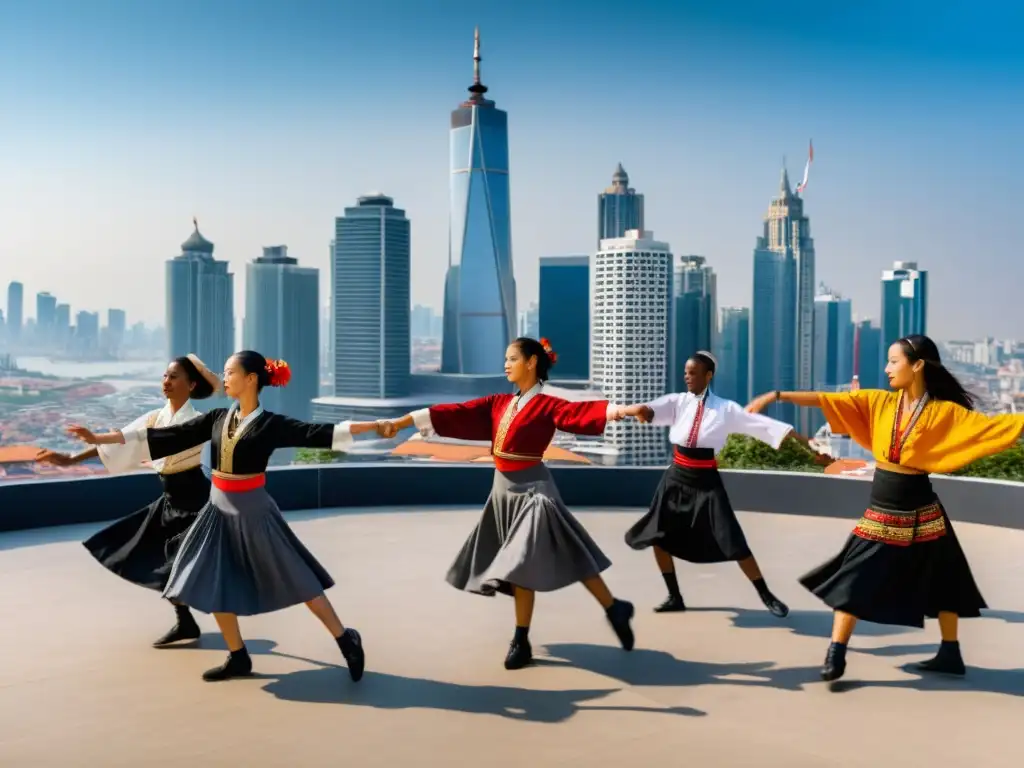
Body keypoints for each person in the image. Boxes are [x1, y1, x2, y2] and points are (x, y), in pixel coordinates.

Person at [67, 350, 382, 683]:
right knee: (214, 580)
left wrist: (376, 425)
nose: (224, 378)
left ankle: (345, 638)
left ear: (251, 380)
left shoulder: (271, 424)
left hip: (255, 512)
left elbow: (318, 433)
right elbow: (164, 437)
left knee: (299, 579)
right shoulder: (217, 418)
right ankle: (238, 656)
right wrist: (100, 438)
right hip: (216, 511)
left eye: (230, 372)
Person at [747, 334, 1024, 682]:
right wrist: (776, 396)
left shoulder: (945, 413)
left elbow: (1001, 426)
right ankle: (837, 652)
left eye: (894, 361)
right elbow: (826, 400)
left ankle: (949, 654)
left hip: (922, 508)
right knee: (854, 576)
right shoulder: (879, 402)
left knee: (944, 581)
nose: (887, 368)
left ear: (917, 365)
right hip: (884, 509)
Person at [377, 337, 635, 671]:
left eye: (512, 358)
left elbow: (578, 414)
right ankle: (614, 608)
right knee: (561, 555)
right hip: (503, 489)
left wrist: (622, 411)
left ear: (531, 363)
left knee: (523, 561)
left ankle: (521, 639)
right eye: (505, 359)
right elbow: (456, 413)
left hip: (534, 490)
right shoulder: (499, 403)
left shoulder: (549, 405)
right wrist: (403, 422)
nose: (506, 364)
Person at [619, 351, 828, 618]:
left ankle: (766, 595)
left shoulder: (726, 409)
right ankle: (674, 596)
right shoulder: (677, 402)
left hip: (706, 481)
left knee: (733, 540)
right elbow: (650, 411)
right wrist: (640, 411)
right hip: (675, 478)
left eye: (693, 372)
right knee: (658, 536)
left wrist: (809, 448)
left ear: (709, 375)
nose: (687, 377)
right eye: (686, 372)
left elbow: (767, 427)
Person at [36, 355, 219, 647]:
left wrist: (94, 441)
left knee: (192, 567)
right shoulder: (155, 417)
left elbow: (134, 438)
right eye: (164, 376)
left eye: (173, 377)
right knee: (148, 556)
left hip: (197, 501)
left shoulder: (196, 422)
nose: (166, 382)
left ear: (192, 384)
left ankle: (227, 638)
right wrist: (71, 460)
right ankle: (185, 621)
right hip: (171, 500)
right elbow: (125, 440)